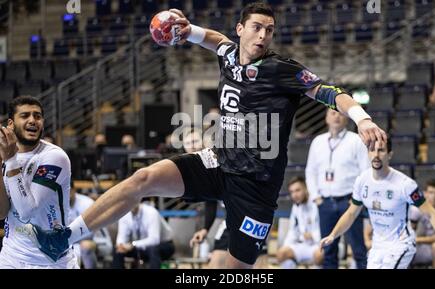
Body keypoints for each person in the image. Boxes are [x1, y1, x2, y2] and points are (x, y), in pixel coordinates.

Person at [28, 2, 386, 268]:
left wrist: (362, 118)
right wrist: (189, 30)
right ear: (241, 28)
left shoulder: (281, 69)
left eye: (270, 30)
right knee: (143, 177)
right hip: (219, 161)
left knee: (231, 271)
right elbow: (216, 41)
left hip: (256, 187)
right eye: (257, 27)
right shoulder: (229, 53)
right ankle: (65, 237)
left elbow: (328, 91)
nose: (263, 36)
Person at [320, 139, 435, 269]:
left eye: (381, 150)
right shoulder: (362, 181)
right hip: (378, 247)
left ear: (389, 154)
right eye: (372, 150)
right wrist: (333, 234)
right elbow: (351, 213)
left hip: (401, 244)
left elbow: (431, 214)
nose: (376, 155)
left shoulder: (405, 184)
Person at [0, 96, 78, 268]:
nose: (32, 120)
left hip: (51, 261)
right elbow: (1, 212)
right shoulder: (4, 155)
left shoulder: (54, 157)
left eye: (37, 116)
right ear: (11, 124)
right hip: (10, 257)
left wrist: (11, 161)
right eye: (25, 115)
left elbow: (27, 211)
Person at [306, 109, 370, 269]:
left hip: (348, 202)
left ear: (347, 119)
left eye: (341, 113)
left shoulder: (356, 140)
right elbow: (310, 171)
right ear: (326, 118)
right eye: (333, 113)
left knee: (358, 250)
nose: (337, 116)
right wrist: (316, 198)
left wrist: (356, 199)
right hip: (325, 203)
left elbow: (365, 171)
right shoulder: (318, 142)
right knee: (328, 251)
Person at [277, 176, 322, 269]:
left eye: (297, 190)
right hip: (301, 245)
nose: (294, 195)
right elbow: (292, 230)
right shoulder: (296, 207)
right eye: (292, 192)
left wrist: (313, 235)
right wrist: (286, 247)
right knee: (281, 254)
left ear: (305, 188)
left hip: (317, 245)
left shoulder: (317, 204)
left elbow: (327, 227)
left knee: (319, 256)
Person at [112, 202, 175, 269]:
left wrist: (133, 244)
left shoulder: (151, 212)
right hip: (139, 246)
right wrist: (121, 245)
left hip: (163, 245)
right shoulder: (124, 214)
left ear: (139, 200)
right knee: (117, 249)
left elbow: (154, 240)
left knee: (153, 249)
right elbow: (121, 238)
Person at [69, 182, 113, 269]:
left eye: (68, 190)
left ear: (74, 190)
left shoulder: (87, 204)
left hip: (99, 241)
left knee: (85, 246)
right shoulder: (58, 206)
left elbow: (96, 231)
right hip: (73, 244)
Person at [410, 179, 435, 269]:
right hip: (424, 242)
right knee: (404, 248)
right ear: (425, 193)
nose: (433, 196)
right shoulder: (417, 207)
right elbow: (410, 229)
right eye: (430, 192)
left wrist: (418, 239)